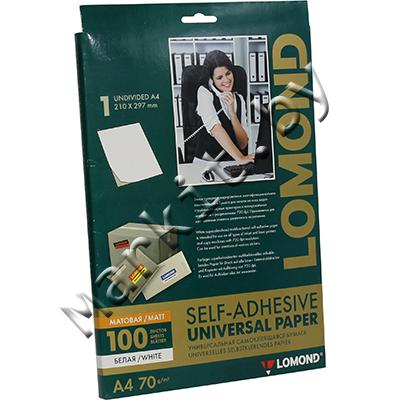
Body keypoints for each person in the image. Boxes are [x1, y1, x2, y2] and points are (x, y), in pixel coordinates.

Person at [194, 50, 255, 163]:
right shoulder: (204, 92)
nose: (226, 80)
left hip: (232, 162)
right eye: (219, 77)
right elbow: (215, 128)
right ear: (211, 80)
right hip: (206, 163)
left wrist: (232, 114)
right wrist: (241, 158)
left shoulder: (239, 99)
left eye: (228, 73)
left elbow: (243, 144)